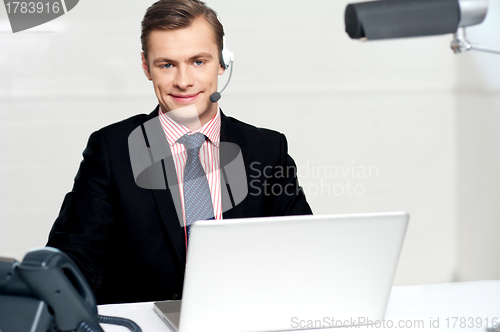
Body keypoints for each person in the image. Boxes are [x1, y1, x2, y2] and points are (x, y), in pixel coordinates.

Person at [47, 0, 312, 305]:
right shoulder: (112, 149)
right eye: (167, 64)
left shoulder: (267, 149)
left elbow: (302, 250)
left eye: (198, 61)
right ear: (147, 67)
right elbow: (73, 259)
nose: (184, 82)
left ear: (223, 62)